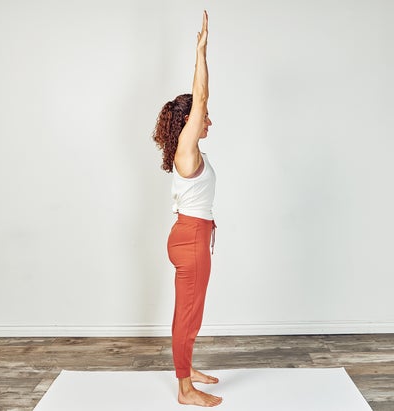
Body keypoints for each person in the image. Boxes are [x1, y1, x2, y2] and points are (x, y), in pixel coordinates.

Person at [151, 10, 222, 408]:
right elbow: (203, 96)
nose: (208, 119)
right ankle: (184, 390)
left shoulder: (189, 152)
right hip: (191, 237)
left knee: (191, 312)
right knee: (188, 314)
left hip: (193, 235)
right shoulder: (186, 148)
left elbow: (203, 104)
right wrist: (201, 53)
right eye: (201, 116)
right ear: (189, 121)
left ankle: (187, 369)